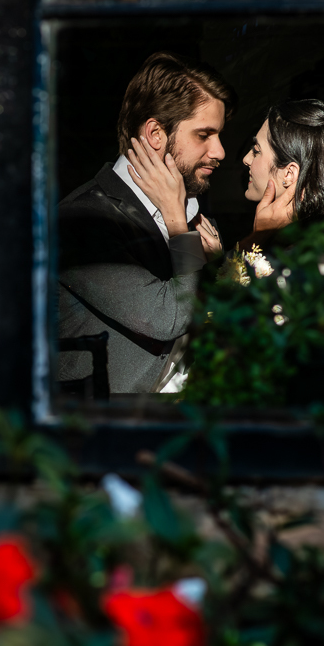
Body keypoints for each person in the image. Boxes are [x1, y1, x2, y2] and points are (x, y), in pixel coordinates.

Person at [56, 51, 235, 398]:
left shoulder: (193, 211)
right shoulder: (82, 219)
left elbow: (208, 315)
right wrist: (177, 226)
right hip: (108, 431)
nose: (220, 151)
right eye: (204, 135)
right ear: (155, 133)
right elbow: (166, 318)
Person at [234, 98, 324, 271]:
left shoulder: (309, 259)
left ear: (289, 174)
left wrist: (256, 239)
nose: (246, 159)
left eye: (257, 151)